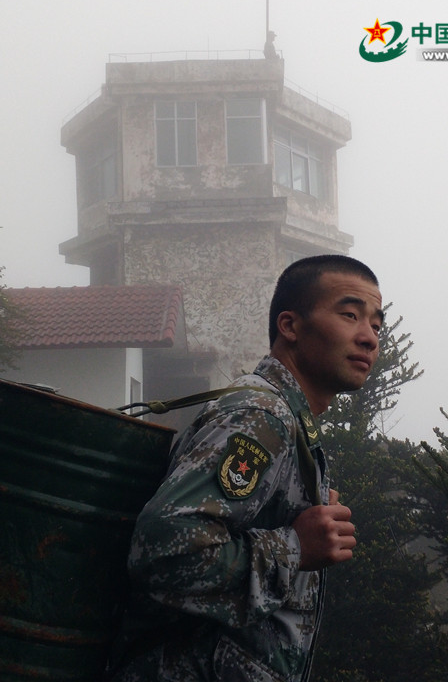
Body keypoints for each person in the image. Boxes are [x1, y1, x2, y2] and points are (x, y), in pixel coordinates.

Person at [108, 254, 383, 682]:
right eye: (350, 315)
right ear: (289, 326)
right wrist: (295, 547)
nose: (368, 338)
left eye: (376, 325)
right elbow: (165, 551)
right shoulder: (261, 416)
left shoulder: (290, 423)